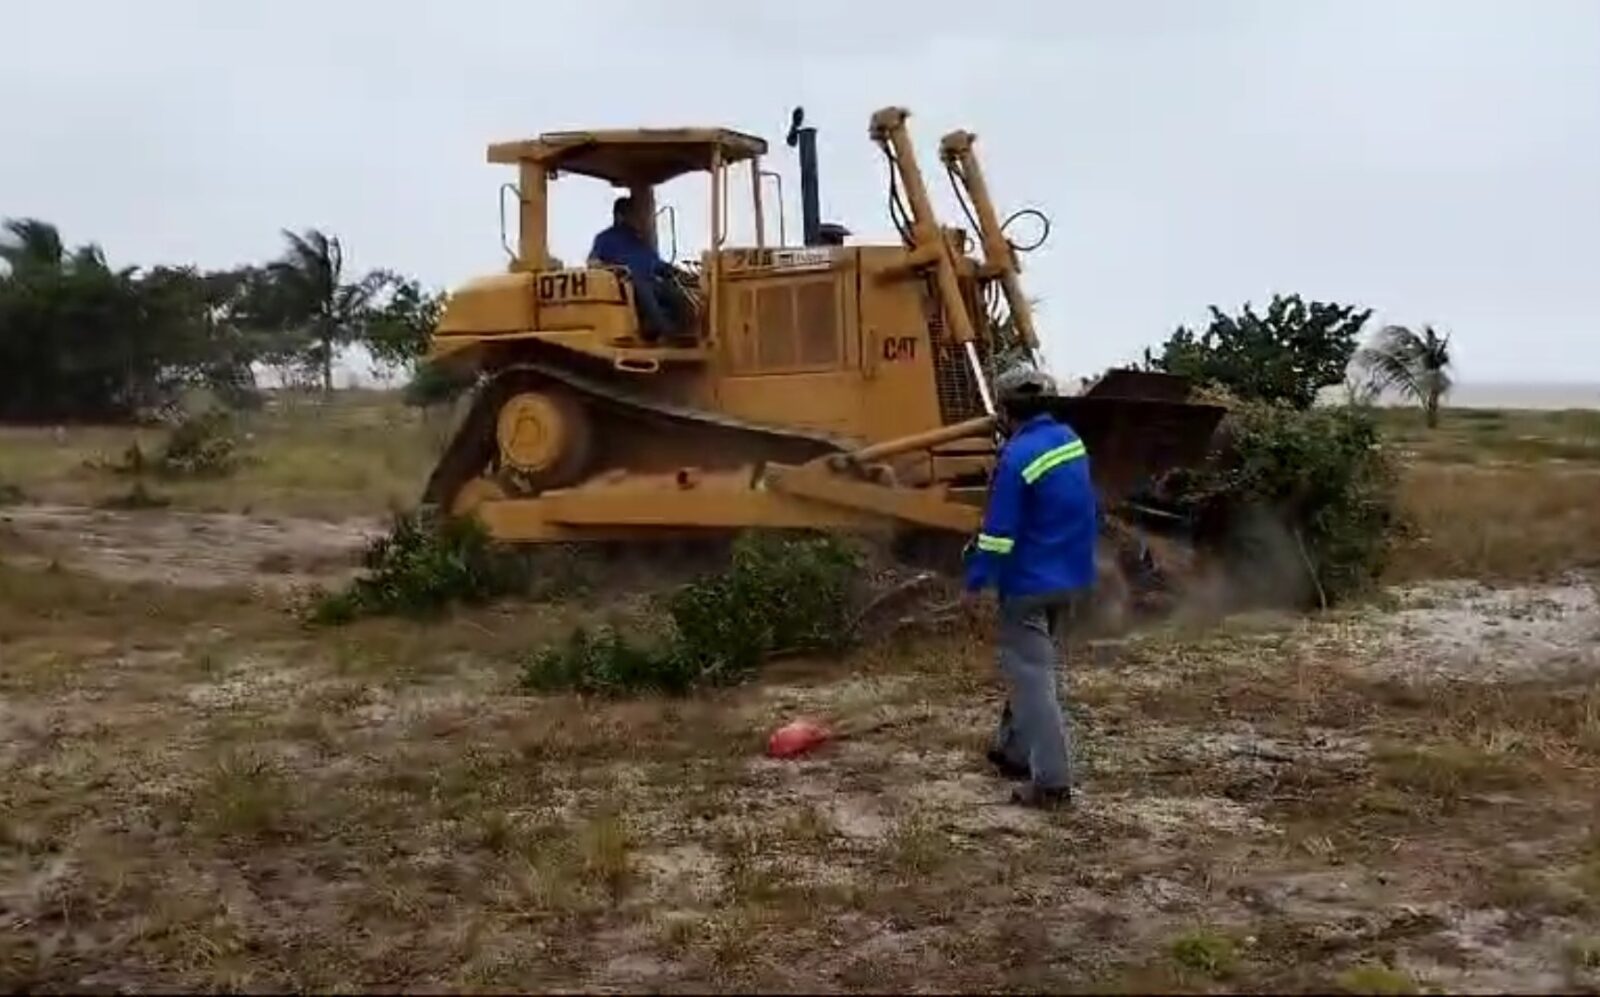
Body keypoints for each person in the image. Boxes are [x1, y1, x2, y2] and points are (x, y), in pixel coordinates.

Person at [963, 366, 1098, 809]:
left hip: (1028, 585)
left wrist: (978, 582)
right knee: (1033, 668)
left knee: (1032, 678)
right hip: (1071, 579)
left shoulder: (1017, 457)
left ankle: (1052, 784)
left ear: (1005, 411)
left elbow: (998, 533)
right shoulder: (1072, 442)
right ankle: (1012, 750)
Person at [588, 196, 686, 341]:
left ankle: (682, 332)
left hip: (651, 282)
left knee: (677, 293)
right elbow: (593, 262)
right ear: (620, 216)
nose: (639, 219)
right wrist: (613, 269)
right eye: (634, 214)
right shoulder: (604, 239)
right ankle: (667, 332)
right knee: (643, 287)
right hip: (627, 284)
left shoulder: (639, 241)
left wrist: (678, 272)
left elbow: (655, 263)